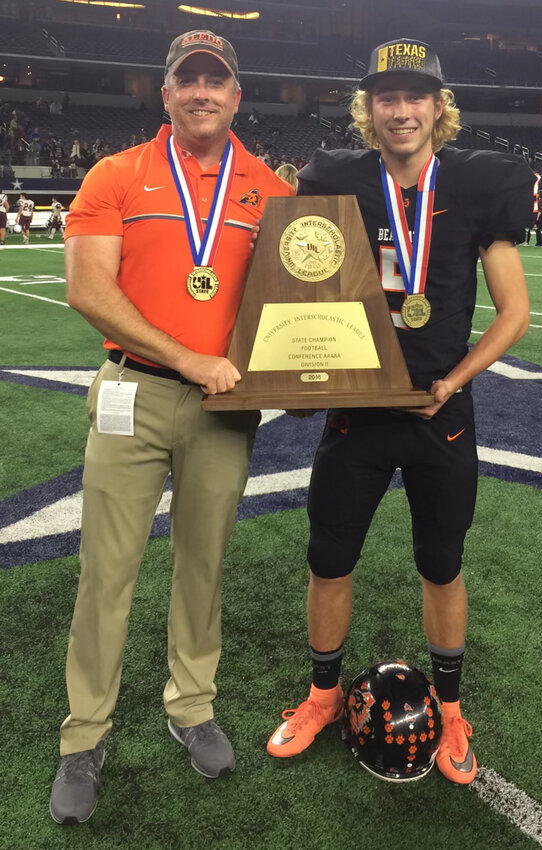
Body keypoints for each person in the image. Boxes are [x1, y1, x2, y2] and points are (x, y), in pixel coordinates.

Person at [267, 37, 534, 786]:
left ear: (439, 107)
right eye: (388, 96)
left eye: (417, 95)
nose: (402, 109)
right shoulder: (339, 180)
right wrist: (299, 371)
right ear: (369, 108)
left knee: (442, 565)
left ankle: (450, 708)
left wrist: (456, 378)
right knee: (329, 559)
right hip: (357, 411)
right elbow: (298, 284)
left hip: (441, 414)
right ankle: (324, 695)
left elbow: (513, 313)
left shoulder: (477, 186)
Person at [49, 29, 294, 826]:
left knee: (203, 567)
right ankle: (84, 737)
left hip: (226, 407)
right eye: (186, 81)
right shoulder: (117, 173)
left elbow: (296, 308)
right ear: (165, 94)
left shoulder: (269, 190)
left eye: (214, 81)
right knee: (106, 574)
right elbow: (89, 288)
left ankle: (191, 707)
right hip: (134, 393)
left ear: (235, 96)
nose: (201, 93)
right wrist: (188, 357)